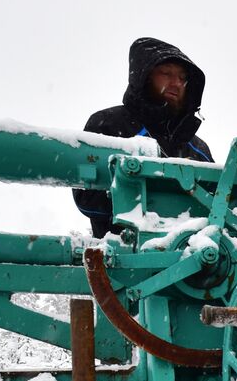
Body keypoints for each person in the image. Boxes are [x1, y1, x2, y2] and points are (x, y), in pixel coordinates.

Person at [73, 37, 213, 237]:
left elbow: (220, 206)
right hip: (122, 259)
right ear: (144, 75)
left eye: (183, 78)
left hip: (195, 260)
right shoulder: (108, 124)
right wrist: (162, 196)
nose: (177, 83)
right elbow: (86, 198)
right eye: (166, 73)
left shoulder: (198, 147)